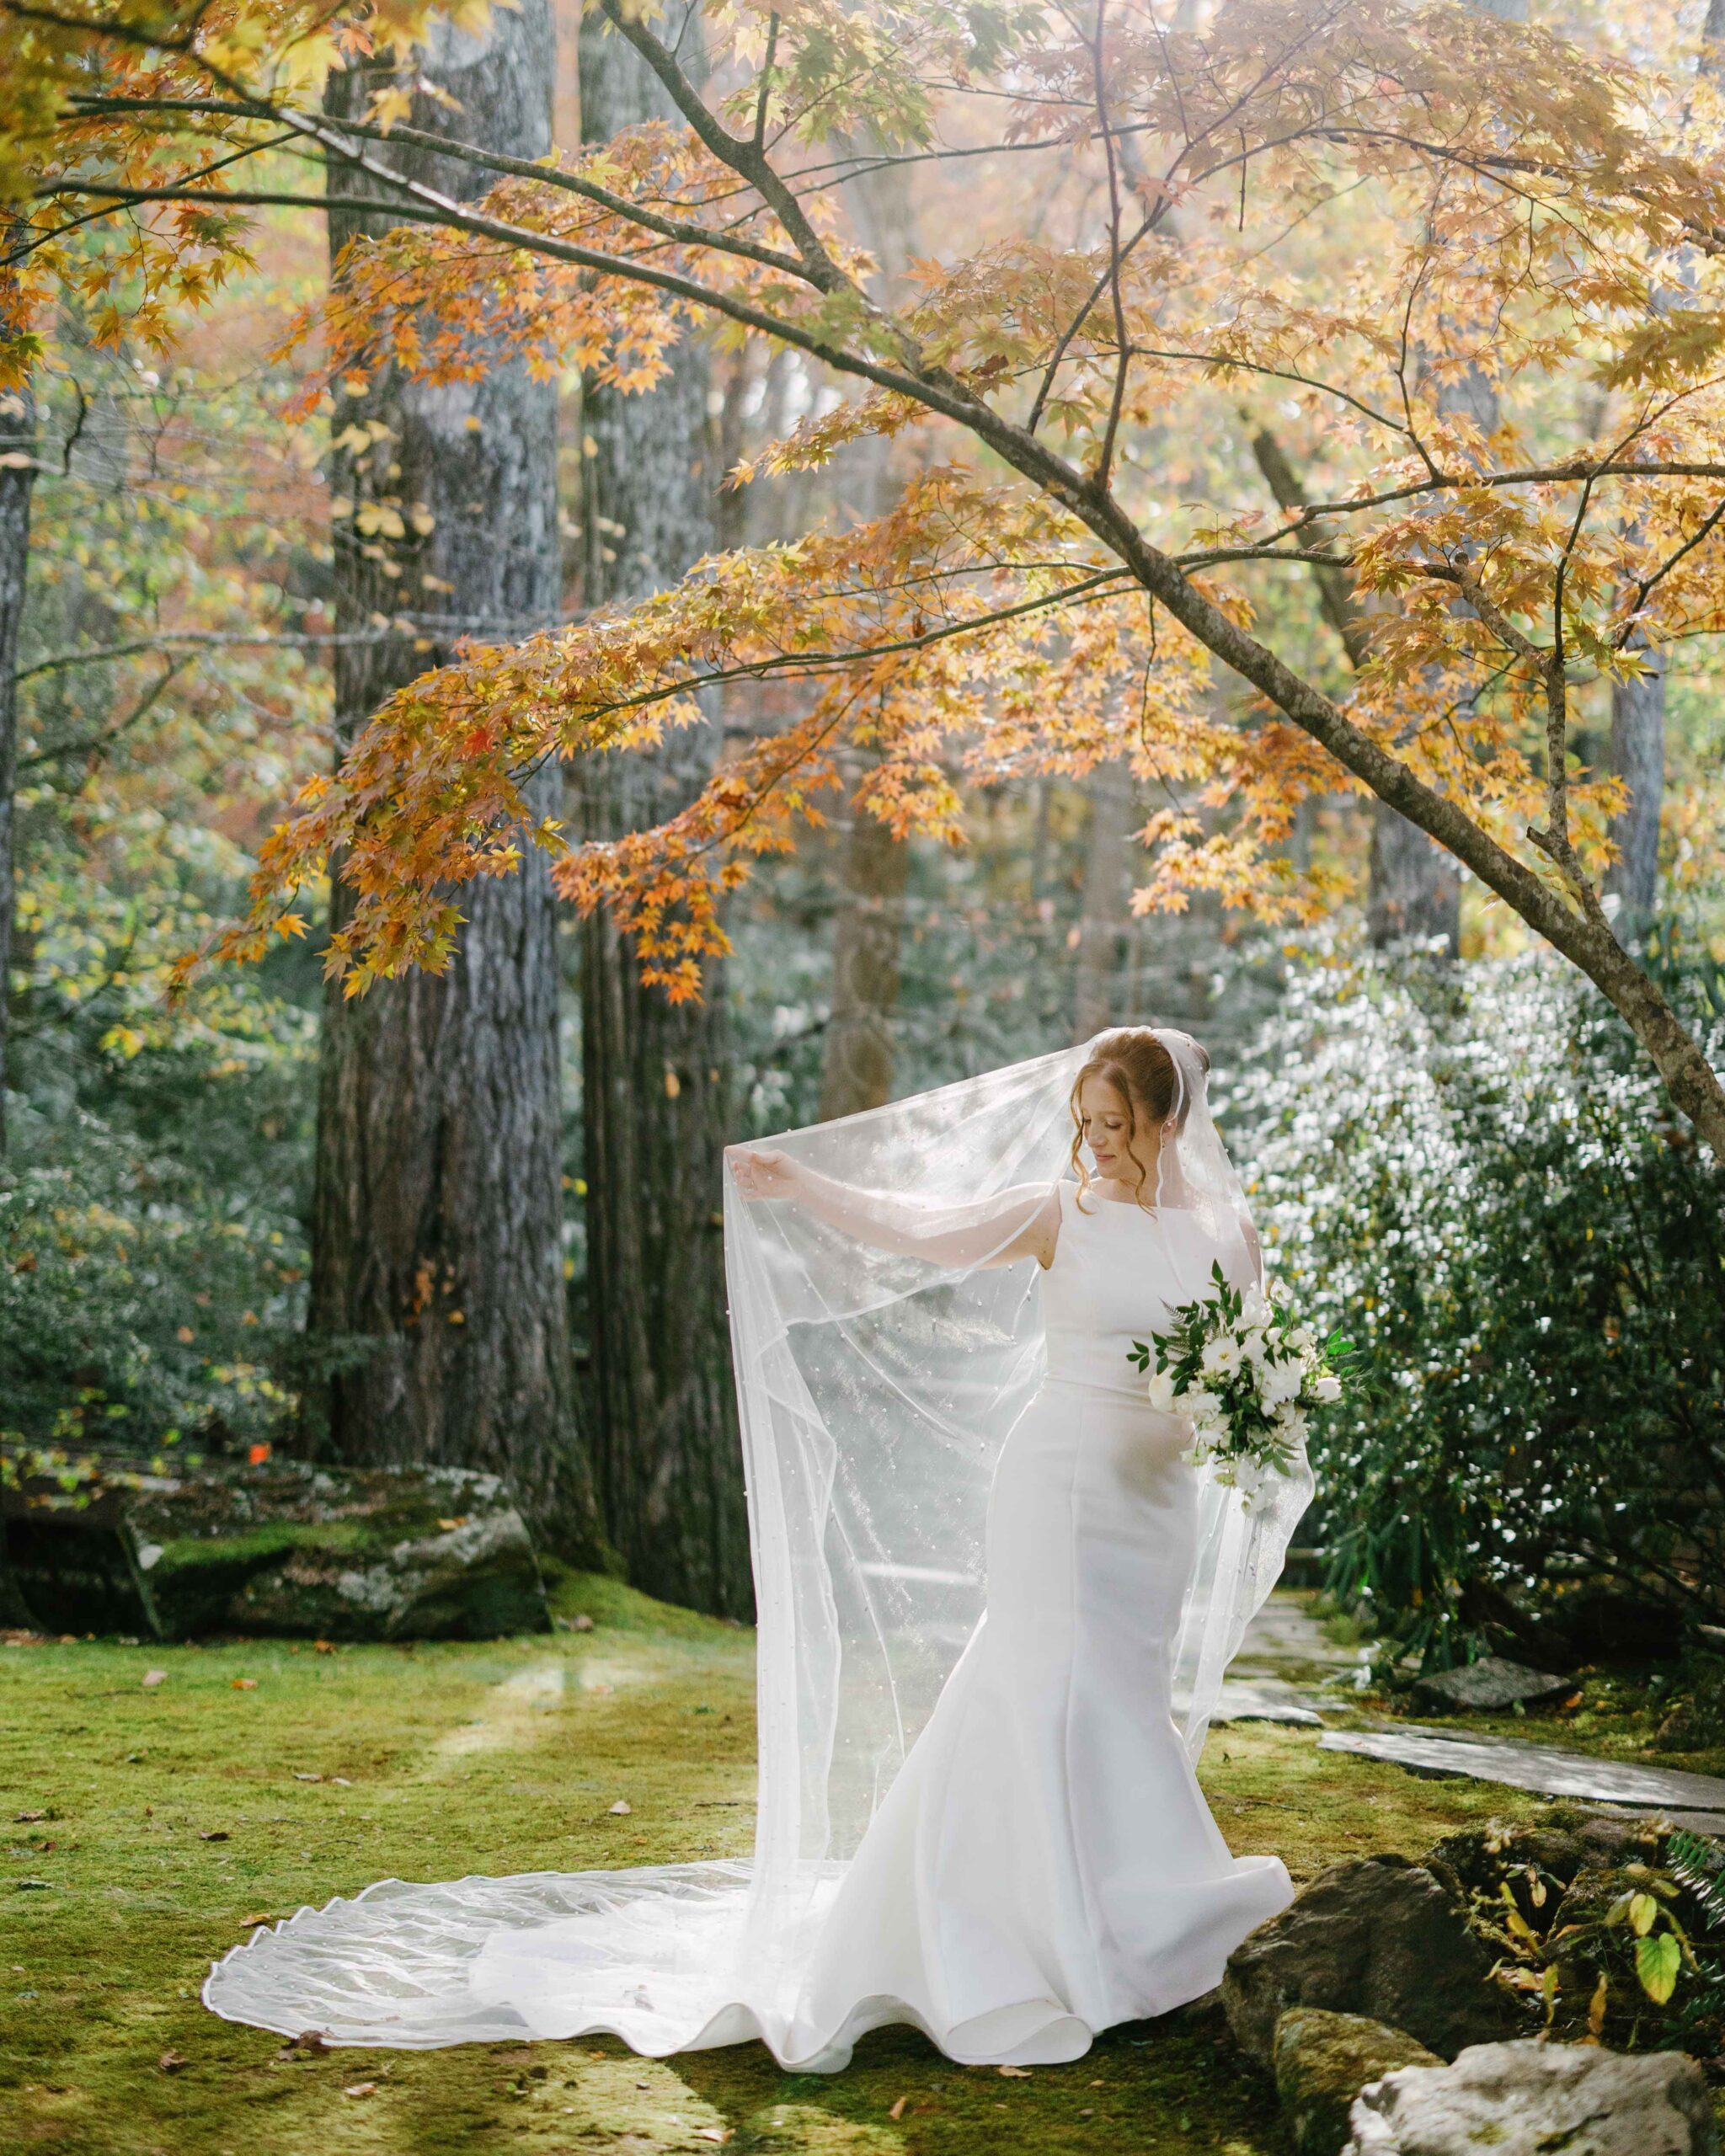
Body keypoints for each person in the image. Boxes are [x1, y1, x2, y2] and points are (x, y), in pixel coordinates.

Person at [203, 1027, 1310, 2069]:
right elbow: (923, 1227)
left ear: (1167, 1123)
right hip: (1059, 1487)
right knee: (1046, 1683)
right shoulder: (1057, 1213)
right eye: (1085, 1121)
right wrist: (803, 1186)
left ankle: (1133, 1902)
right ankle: (1026, 1932)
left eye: (1113, 1123)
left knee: (1121, 1686)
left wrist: (1224, 1428)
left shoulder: (1229, 1236)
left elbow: (1244, 1372)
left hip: (1152, 1502)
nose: (1094, 1142)